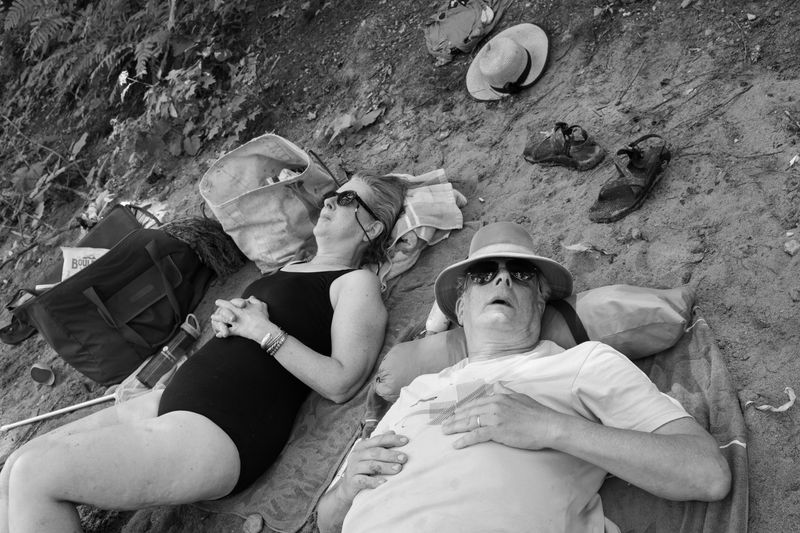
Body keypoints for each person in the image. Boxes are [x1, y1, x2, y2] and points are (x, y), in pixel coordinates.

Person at [0, 173, 408, 533]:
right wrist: (229, 322)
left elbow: (342, 381)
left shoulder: (355, 283)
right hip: (175, 400)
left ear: (372, 228)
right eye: (333, 194)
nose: (331, 201)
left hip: (225, 429)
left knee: (35, 476)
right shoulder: (292, 266)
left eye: (348, 199)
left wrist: (262, 330)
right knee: (16, 464)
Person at [317, 222, 731, 533]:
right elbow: (326, 520)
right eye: (483, 274)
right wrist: (347, 487)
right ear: (460, 309)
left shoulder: (582, 363)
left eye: (521, 273)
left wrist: (550, 427)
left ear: (540, 302)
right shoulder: (415, 391)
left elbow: (707, 473)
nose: (502, 279)